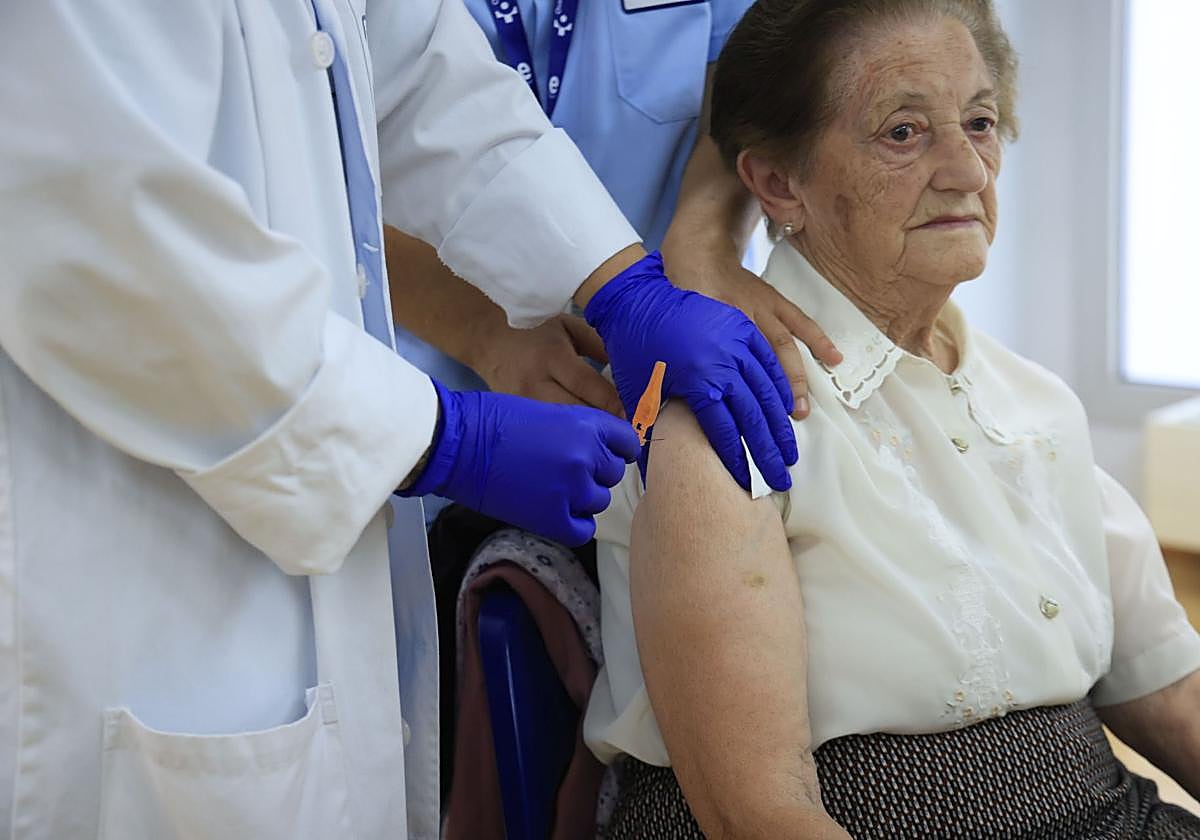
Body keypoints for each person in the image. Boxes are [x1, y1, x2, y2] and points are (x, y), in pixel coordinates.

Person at [0, 1, 801, 837]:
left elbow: (419, 76)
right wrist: (438, 438)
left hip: (334, 529)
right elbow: (96, 238)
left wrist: (615, 279)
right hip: (133, 537)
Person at [585, 1, 1200, 837]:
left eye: (979, 123)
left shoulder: (1035, 403)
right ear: (776, 182)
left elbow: (1168, 689)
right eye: (904, 133)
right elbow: (757, 815)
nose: (969, 171)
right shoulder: (730, 420)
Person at [383, 0, 845, 525]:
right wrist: (483, 330)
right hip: (414, 371)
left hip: (667, 334)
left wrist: (700, 244)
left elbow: (745, 89)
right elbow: (340, 156)